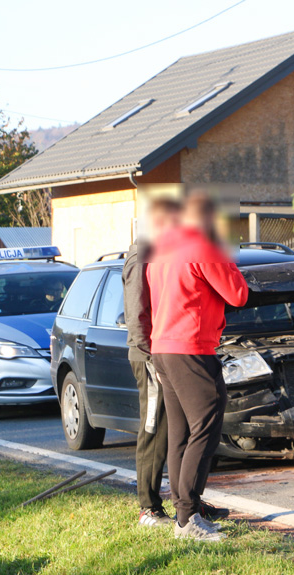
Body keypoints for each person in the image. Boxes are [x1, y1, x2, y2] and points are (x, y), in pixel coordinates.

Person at [147, 193, 248, 542]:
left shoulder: (162, 251)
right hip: (190, 347)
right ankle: (188, 518)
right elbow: (238, 294)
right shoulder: (203, 248)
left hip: (163, 347)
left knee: (180, 433)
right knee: (206, 424)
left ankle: (182, 511)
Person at [122, 197, 181, 528]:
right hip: (148, 356)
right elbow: (137, 313)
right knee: (153, 429)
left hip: (160, 352)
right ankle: (148, 508)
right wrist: (151, 358)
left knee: (167, 428)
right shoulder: (141, 255)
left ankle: (179, 501)